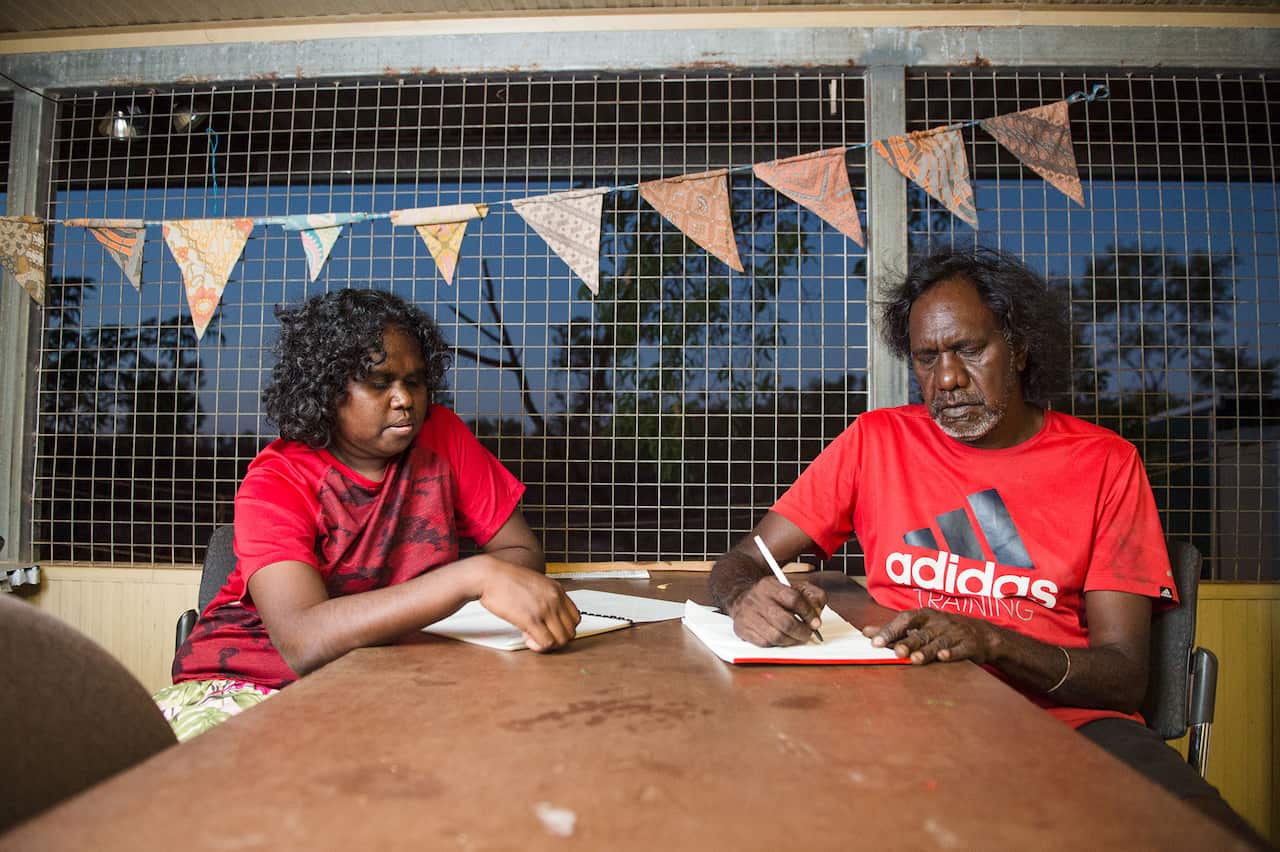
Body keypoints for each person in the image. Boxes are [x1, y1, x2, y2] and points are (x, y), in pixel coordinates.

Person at [709, 246, 1265, 846]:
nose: (946, 379)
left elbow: (1124, 678)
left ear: (1020, 348)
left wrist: (993, 641)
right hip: (905, 721)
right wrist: (746, 596)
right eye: (927, 359)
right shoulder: (877, 442)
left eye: (969, 350)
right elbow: (743, 559)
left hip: (1071, 728)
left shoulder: (1105, 464)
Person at [155, 288, 580, 740]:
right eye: (380, 383)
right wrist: (470, 578)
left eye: (415, 381)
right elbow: (303, 639)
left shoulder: (442, 436)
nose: (404, 400)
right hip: (247, 683)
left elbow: (520, 551)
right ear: (328, 389)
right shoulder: (278, 481)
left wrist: (490, 578)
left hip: (383, 670)